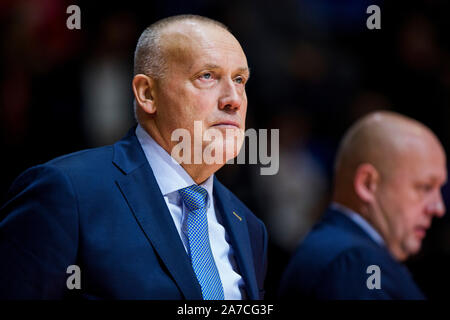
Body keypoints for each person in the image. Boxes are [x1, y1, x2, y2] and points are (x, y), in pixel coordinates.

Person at [0, 15, 268, 300]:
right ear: (147, 93)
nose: (234, 99)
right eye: (207, 76)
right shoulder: (67, 193)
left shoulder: (250, 227)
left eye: (239, 80)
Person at [279, 111, 447, 299]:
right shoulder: (354, 262)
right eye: (425, 187)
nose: (438, 208)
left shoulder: (344, 254)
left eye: (439, 189)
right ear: (368, 184)